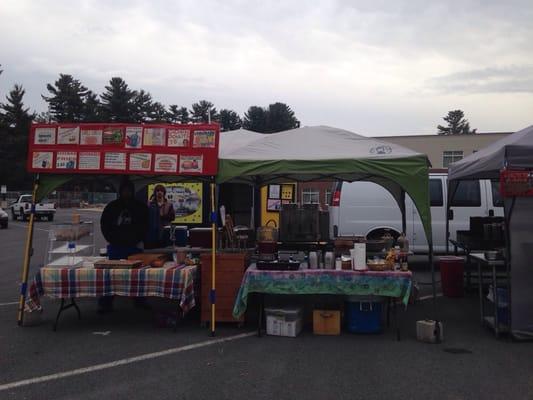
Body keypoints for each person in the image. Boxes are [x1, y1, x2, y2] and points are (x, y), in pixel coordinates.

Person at [99, 178, 149, 313]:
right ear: (121, 191)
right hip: (115, 247)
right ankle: (105, 303)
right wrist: (111, 239)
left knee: (138, 276)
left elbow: (145, 225)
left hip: (134, 247)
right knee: (110, 276)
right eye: (124, 190)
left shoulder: (140, 207)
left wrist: (138, 239)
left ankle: (139, 300)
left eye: (129, 190)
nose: (126, 193)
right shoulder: (112, 207)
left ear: (132, 191)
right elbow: (105, 225)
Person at [145, 184, 176, 249]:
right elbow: (146, 217)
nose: (159, 192)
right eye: (158, 191)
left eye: (161, 191)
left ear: (164, 193)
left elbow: (172, 217)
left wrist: (162, 216)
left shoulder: (169, 204)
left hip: (165, 233)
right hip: (152, 234)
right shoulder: (150, 204)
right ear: (155, 192)